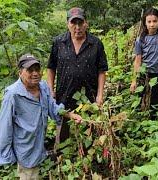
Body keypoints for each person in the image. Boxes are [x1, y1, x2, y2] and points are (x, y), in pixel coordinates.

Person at [0, 53, 82, 179]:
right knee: (29, 175)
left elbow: (53, 108)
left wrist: (71, 115)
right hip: (25, 147)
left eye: (37, 69)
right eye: (30, 70)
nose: (35, 73)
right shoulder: (13, 94)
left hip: (39, 144)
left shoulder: (43, 87)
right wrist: (6, 154)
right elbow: (5, 127)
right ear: (20, 72)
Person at [47, 7, 108, 142]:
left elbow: (102, 71)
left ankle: (86, 156)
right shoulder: (59, 42)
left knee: (89, 132)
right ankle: (62, 158)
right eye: (73, 23)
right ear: (68, 24)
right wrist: (50, 90)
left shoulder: (96, 43)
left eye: (80, 23)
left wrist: (100, 95)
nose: (77, 27)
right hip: (64, 95)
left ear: (86, 23)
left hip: (89, 96)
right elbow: (51, 68)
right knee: (63, 134)